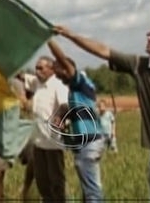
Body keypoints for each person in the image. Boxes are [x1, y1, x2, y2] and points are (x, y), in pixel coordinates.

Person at [53, 24, 150, 200]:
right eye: (149, 34)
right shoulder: (140, 65)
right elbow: (103, 50)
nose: (148, 37)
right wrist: (71, 35)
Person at [48, 39, 105, 202]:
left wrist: (49, 40)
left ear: (67, 70)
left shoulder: (79, 82)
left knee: (92, 192)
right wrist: (60, 114)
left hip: (89, 143)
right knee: (88, 191)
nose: (58, 77)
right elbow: (69, 107)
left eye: (59, 73)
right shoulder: (76, 91)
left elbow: (63, 61)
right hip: (85, 143)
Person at [24, 56, 69, 202]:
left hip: (53, 142)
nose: (37, 71)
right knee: (42, 181)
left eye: (41, 68)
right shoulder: (37, 83)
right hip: (38, 142)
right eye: (36, 68)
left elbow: (64, 105)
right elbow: (21, 76)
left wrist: (59, 117)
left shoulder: (58, 84)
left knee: (56, 181)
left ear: (51, 69)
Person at [0, 74, 35, 202]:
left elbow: (26, 104)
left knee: (36, 157)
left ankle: (25, 190)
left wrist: (26, 99)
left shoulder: (17, 82)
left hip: (17, 128)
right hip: (1, 132)